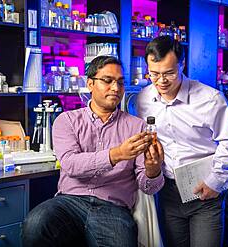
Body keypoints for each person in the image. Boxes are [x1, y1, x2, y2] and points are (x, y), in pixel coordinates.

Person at [23, 56, 165, 247]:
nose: (116, 88)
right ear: (90, 84)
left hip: (113, 208)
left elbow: (148, 187)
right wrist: (117, 154)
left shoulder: (137, 126)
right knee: (35, 224)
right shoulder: (67, 121)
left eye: (120, 82)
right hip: (69, 202)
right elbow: (71, 165)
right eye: (107, 81)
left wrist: (153, 170)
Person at [137, 36, 228, 247]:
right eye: (154, 74)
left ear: (182, 64)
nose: (161, 81)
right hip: (168, 191)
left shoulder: (210, 99)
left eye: (169, 73)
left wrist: (215, 182)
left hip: (206, 190)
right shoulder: (143, 99)